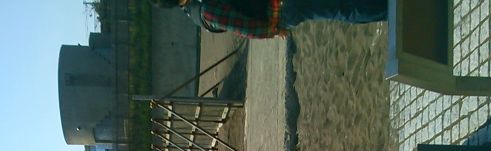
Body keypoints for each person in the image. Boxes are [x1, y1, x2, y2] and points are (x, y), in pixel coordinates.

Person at [150, 0, 386, 39]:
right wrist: (274, 28)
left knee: (338, 7)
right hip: (282, 8)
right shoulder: (204, 10)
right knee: (340, 8)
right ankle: (388, 9)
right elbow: (248, 29)